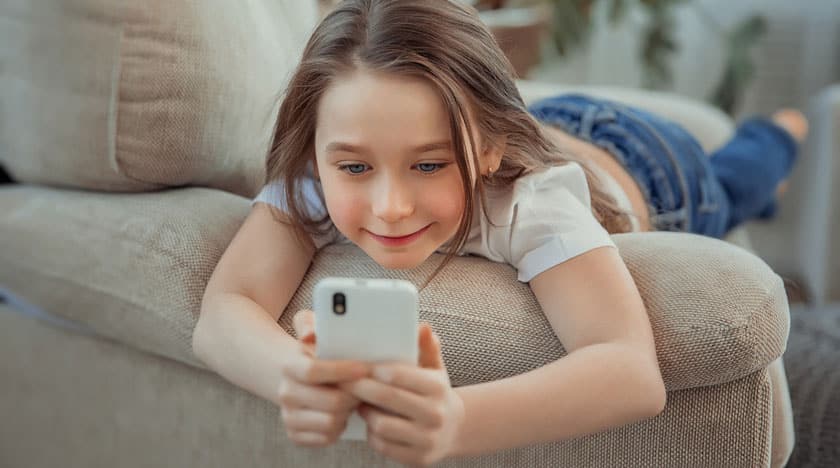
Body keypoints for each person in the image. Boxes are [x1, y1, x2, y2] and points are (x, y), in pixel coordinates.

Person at [192, 0, 807, 466]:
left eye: (429, 164)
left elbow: (629, 369)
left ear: (487, 151)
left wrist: (456, 418)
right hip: (546, 118)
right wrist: (292, 376)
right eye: (354, 167)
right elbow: (225, 310)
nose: (390, 207)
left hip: (653, 167)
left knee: (740, 182)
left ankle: (784, 130)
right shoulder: (313, 177)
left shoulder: (531, 203)